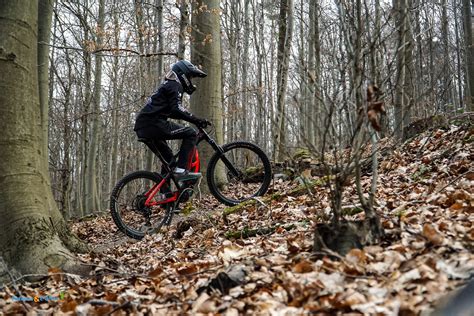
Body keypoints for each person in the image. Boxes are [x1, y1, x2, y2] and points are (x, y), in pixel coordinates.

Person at [134, 60, 210, 181]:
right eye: (190, 77)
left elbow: (171, 111)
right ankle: (181, 170)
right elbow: (177, 109)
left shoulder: (168, 84)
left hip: (144, 126)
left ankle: (167, 196)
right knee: (190, 133)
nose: (191, 81)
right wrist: (196, 120)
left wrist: (193, 119)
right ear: (183, 74)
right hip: (153, 124)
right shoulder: (175, 85)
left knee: (169, 162)